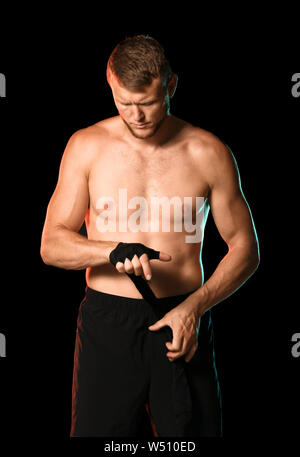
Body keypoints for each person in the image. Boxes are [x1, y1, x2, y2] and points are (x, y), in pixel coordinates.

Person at [40, 35, 260, 437]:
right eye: (125, 104)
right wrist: (111, 251)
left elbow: (246, 249)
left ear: (171, 86)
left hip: (182, 316)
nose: (137, 116)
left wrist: (195, 309)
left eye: (149, 103)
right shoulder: (86, 147)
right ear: (110, 84)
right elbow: (51, 245)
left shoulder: (208, 151)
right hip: (108, 323)